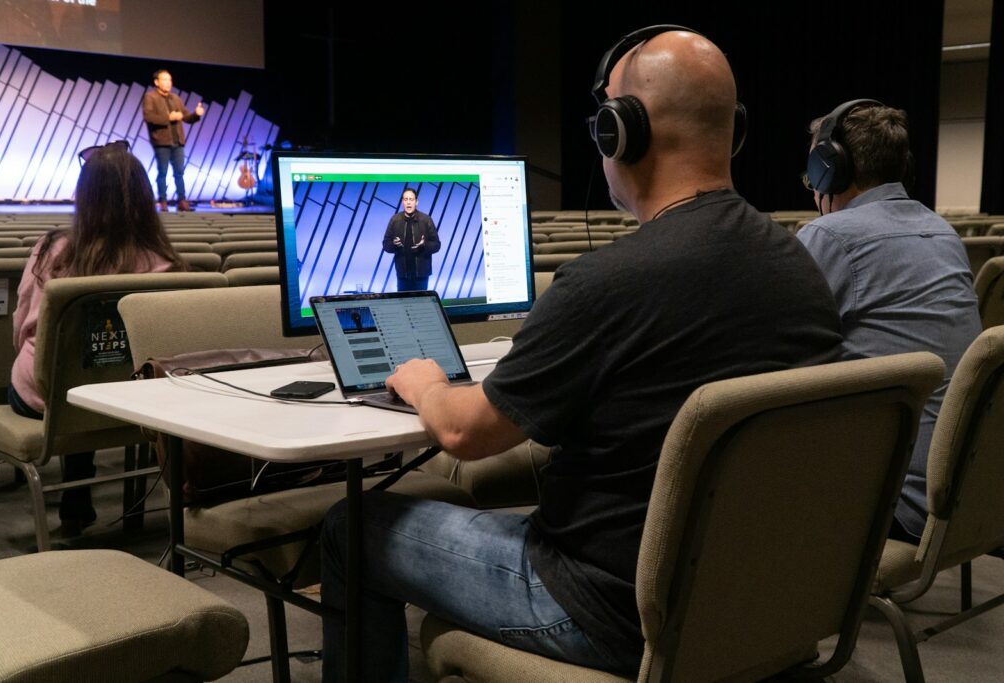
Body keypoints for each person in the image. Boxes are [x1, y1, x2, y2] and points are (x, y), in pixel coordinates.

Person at [319, 26, 843, 681]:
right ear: (728, 131)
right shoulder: (799, 266)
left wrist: (426, 382)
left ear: (622, 133)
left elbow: (465, 431)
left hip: (608, 612)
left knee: (352, 525)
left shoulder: (608, 282)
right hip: (754, 600)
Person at [797, 100, 981, 543]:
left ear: (830, 169)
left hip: (892, 503)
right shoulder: (942, 231)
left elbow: (778, 354)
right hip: (967, 492)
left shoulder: (828, 236)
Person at [10, 142, 187, 537]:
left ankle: (75, 507)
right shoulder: (167, 265)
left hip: (47, 398)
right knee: (96, 371)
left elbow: (22, 326)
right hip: (131, 401)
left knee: (68, 373)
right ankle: (80, 501)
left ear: (83, 195)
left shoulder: (52, 252)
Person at [142, 69, 204, 212]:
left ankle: (182, 201)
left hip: (178, 141)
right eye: (164, 79)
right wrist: (169, 118)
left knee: (179, 172)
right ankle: (163, 202)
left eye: (169, 80)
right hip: (161, 142)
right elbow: (149, 117)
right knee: (162, 172)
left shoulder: (176, 98)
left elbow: (186, 117)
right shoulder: (150, 97)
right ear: (156, 82)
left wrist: (196, 114)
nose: (168, 83)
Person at [382, 187, 441, 291]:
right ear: (402, 202)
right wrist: (394, 244)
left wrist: (424, 245)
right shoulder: (395, 220)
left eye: (411, 199)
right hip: (402, 274)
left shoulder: (426, 219)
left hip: (421, 274)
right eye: (406, 199)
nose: (408, 202)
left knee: (421, 304)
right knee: (403, 304)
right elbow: (386, 244)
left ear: (416, 202)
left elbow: (437, 245)